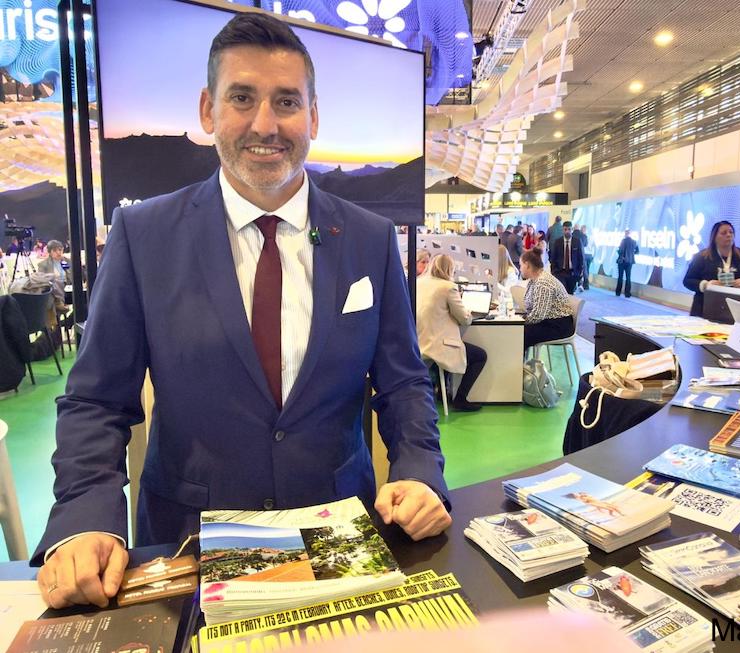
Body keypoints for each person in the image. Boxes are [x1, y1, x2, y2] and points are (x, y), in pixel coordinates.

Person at [33, 12, 451, 609]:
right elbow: (98, 399)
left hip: (337, 538)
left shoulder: (369, 239)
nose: (265, 124)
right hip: (188, 548)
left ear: (313, 116)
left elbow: (405, 382)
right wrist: (83, 517)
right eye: (241, 98)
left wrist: (418, 470)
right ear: (209, 111)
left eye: (286, 101)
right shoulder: (143, 235)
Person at [416, 255, 486, 412]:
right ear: (450, 269)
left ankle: (443, 392)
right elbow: (465, 319)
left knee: (449, 345)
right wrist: (469, 312)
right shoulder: (448, 287)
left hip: (417, 342)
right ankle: (461, 398)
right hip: (436, 345)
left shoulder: (418, 282)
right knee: (480, 356)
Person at [682, 220, 740, 317]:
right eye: (724, 233)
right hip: (705, 309)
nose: (728, 235)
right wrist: (706, 285)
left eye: (731, 232)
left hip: (736, 311)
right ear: (714, 237)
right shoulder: (702, 257)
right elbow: (687, 281)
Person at [520, 249, 574, 351]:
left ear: (527, 265)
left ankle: (515, 364)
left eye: (520, 265)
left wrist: (520, 322)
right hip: (549, 322)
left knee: (518, 333)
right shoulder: (535, 280)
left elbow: (538, 315)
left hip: (558, 326)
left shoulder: (543, 283)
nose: (520, 269)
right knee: (517, 330)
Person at [550, 221, 583, 294]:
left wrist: (579, 271)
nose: (567, 231)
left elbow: (580, 257)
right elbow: (553, 257)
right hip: (560, 271)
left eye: (569, 229)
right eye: (565, 229)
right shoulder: (558, 242)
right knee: (562, 293)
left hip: (573, 272)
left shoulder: (577, 241)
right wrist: (553, 271)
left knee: (570, 293)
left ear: (572, 229)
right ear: (563, 230)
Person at [615, 229, 639, 297]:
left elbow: (621, 251)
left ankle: (618, 292)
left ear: (625, 234)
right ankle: (627, 293)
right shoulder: (634, 242)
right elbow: (637, 252)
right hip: (630, 262)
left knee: (620, 277)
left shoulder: (623, 241)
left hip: (622, 261)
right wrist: (631, 254)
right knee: (628, 277)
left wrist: (619, 253)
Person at [578, 225, 593, 291]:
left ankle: (581, 284)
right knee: (587, 270)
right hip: (590, 255)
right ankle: (586, 285)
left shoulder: (582, 236)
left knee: (583, 269)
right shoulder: (590, 237)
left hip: (584, 254)